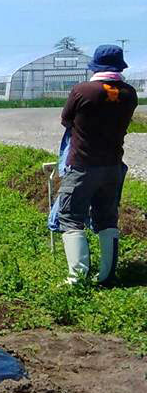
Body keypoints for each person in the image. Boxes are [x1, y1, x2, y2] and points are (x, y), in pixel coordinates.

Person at [56, 44, 137, 285]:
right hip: (112, 167)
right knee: (107, 219)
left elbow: (66, 120)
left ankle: (77, 278)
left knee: (71, 217)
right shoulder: (130, 93)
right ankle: (107, 275)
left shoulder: (83, 91)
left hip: (82, 165)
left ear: (95, 67)